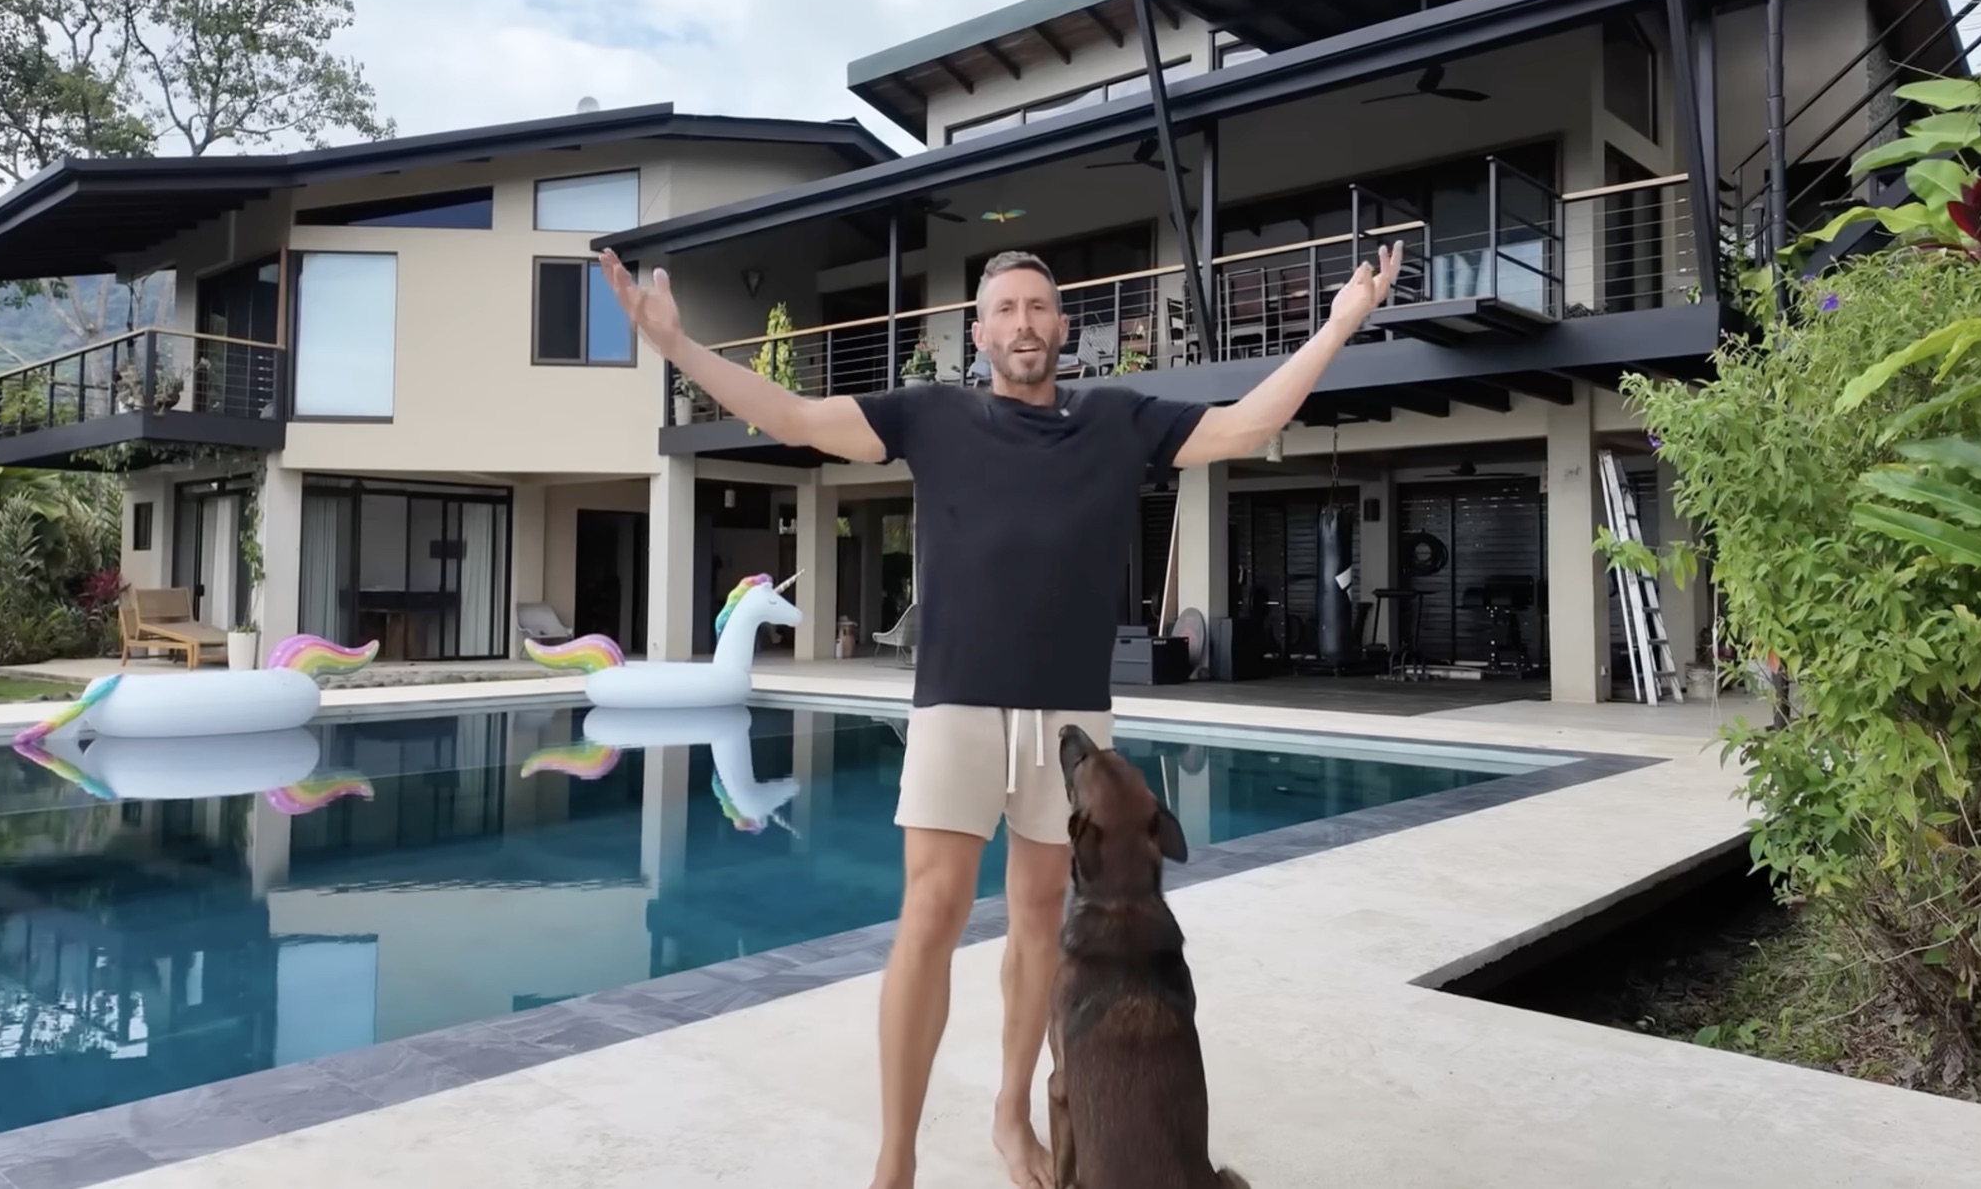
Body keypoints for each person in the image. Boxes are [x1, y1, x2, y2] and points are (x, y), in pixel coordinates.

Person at [597, 238, 1404, 1189]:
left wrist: (1342, 323)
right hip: (956, 700)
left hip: (1068, 713)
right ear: (977, 332)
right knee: (929, 913)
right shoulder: (933, 415)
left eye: (1039, 307)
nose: (1024, 323)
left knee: (1037, 917)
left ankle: (1013, 1112)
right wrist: (679, 350)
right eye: (1005, 309)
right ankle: (894, 1157)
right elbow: (798, 417)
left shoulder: (1117, 418)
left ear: (1063, 327)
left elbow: (1241, 424)